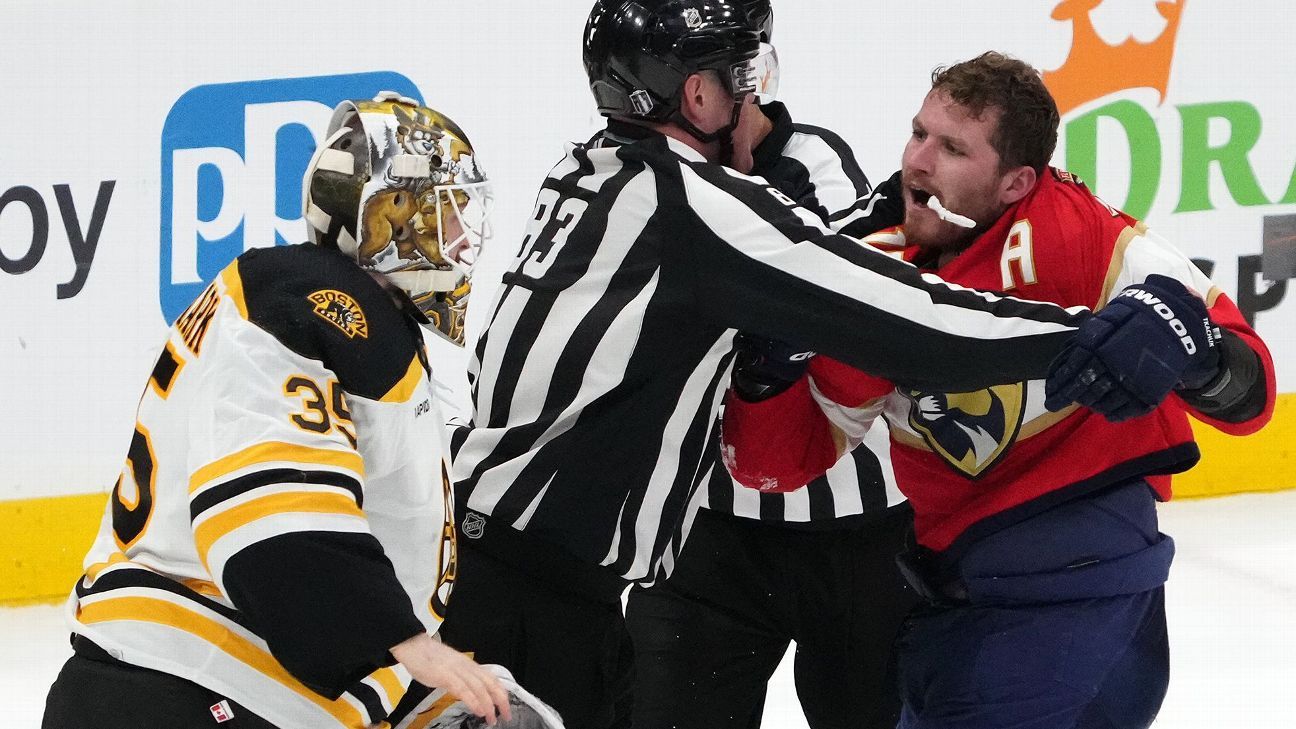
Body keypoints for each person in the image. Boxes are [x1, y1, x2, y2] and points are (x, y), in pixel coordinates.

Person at [720, 52, 1276, 729]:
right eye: (918, 132)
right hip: (967, 605)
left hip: (1078, 593)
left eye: (952, 147)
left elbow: (1250, 395)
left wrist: (1200, 354)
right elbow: (784, 462)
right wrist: (766, 377)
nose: (917, 162)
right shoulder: (878, 271)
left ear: (1016, 182)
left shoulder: (1083, 238)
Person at [42, 94, 518, 729]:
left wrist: (424, 688)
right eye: (445, 210)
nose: (463, 236)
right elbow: (271, 525)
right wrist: (411, 647)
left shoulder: (351, 324)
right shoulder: (306, 304)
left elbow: (364, 550)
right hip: (185, 686)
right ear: (386, 219)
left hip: (209, 690)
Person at [623, 3, 919, 728]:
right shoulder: (639, 179)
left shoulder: (814, 165)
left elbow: (849, 313)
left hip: (862, 537)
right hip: (707, 531)